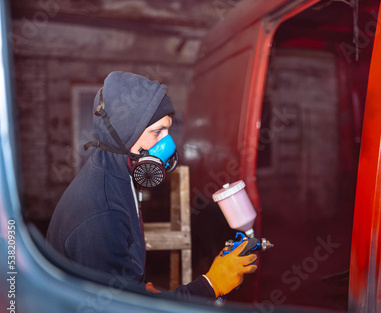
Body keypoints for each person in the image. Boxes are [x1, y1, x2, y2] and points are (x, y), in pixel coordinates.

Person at [46, 71, 257, 300]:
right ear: (124, 135)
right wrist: (210, 285)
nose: (167, 144)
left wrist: (132, 286)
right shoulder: (103, 213)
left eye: (168, 130)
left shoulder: (114, 171)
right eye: (157, 132)